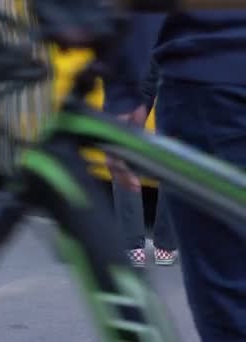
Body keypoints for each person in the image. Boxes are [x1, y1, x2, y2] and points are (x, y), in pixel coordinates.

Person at [105, 9, 246, 341]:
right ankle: (166, 246)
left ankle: (135, 246)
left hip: (214, 69)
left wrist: (123, 93)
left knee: (228, 303)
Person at [107, 57, 179, 267]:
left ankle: (132, 248)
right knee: (173, 153)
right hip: (179, 54)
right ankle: (165, 248)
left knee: (124, 148)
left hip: (144, 53)